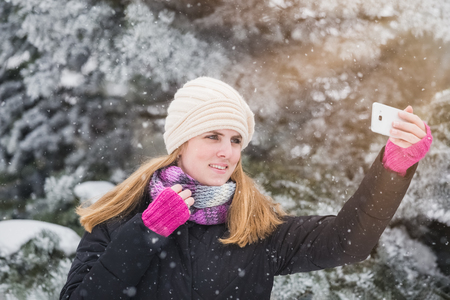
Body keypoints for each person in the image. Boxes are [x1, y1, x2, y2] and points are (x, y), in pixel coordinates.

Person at [60, 77, 433, 300]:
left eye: (236, 140)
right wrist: (144, 234)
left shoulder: (254, 229)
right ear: (181, 143)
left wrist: (392, 168)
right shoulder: (118, 221)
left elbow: (346, 242)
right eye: (212, 136)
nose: (227, 151)